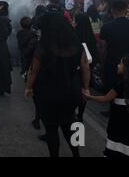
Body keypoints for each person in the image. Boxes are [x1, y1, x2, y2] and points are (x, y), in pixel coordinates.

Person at [25, 13, 90, 157]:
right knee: (69, 124)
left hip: (48, 91)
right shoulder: (76, 45)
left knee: (51, 127)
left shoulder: (43, 46)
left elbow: (33, 70)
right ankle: (76, 154)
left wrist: (29, 87)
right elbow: (85, 68)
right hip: (71, 90)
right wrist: (85, 88)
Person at [84, 55, 129, 157]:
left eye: (121, 63)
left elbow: (105, 98)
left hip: (119, 123)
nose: (118, 65)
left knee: (116, 147)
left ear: (128, 69)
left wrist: (90, 97)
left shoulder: (121, 85)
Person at [100, 1, 129, 97]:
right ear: (126, 10)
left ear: (112, 11)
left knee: (113, 87)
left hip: (113, 62)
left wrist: (102, 62)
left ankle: (114, 108)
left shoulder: (106, 27)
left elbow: (102, 48)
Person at [73, 13, 100, 122]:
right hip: (88, 70)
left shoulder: (75, 36)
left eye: (75, 21)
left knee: (75, 92)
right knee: (84, 91)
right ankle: (80, 115)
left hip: (77, 70)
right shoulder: (90, 36)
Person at [17, 16, 40, 129]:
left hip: (26, 64)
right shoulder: (33, 37)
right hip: (33, 64)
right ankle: (38, 117)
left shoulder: (19, 34)